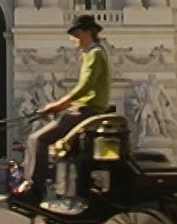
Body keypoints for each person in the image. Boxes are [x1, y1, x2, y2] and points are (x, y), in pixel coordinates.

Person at [19, 15, 112, 204]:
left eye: (76, 34)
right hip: (86, 109)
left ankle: (35, 189)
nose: (73, 38)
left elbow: (85, 88)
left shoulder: (94, 54)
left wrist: (58, 105)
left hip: (86, 112)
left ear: (87, 32)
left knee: (37, 139)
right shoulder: (94, 53)